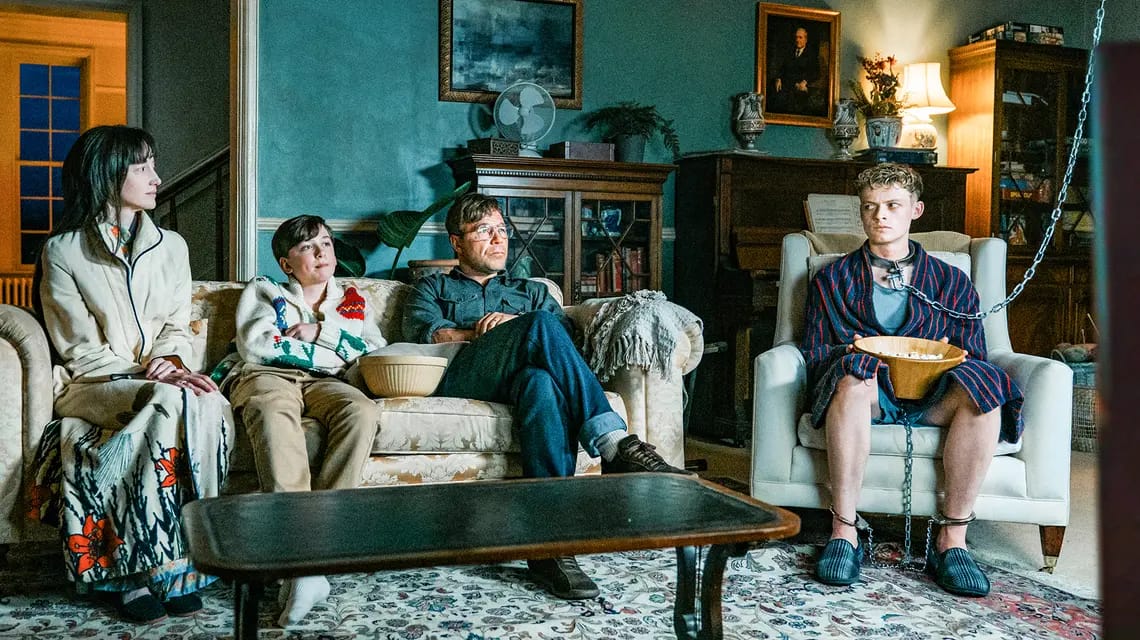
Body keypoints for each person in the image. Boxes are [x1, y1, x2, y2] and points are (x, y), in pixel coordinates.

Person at [401, 193, 690, 601]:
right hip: (466, 373)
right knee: (537, 327)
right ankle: (614, 443)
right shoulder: (432, 287)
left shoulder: (531, 291)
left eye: (502, 230)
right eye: (484, 231)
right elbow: (425, 334)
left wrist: (518, 324)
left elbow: (564, 340)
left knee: (541, 383)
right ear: (456, 242)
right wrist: (494, 332)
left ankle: (551, 548)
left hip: (522, 381)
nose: (498, 239)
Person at [30, 125, 234, 622]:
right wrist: (149, 373)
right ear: (106, 174)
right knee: (165, 400)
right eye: (142, 167)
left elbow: (177, 328)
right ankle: (136, 573)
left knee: (208, 400)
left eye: (153, 165)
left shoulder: (173, 247)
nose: (156, 178)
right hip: (93, 385)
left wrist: (172, 363)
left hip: (157, 381)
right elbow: (80, 350)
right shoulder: (63, 252)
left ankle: (177, 562)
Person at [802, 163, 1024, 597]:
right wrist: (850, 352)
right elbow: (813, 353)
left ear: (915, 210)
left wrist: (942, 354)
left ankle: (952, 541)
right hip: (870, 393)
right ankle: (844, 533)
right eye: (870, 207)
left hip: (933, 394)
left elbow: (973, 351)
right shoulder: (832, 279)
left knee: (984, 384)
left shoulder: (950, 280)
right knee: (851, 378)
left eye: (892, 205)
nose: (880, 216)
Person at [220, 214, 385, 627]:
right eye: (307, 247)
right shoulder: (266, 291)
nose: (321, 252)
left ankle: (315, 550)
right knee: (271, 411)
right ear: (286, 263)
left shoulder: (353, 300)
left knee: (361, 411)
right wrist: (338, 350)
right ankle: (299, 558)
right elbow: (259, 345)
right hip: (267, 375)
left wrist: (318, 334)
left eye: (326, 243)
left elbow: (372, 352)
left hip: (327, 382)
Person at [769, 26, 827, 116]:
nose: (797, 40)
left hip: (802, 89)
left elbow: (816, 73)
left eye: (800, 37)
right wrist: (779, 78)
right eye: (796, 37)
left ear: (805, 39)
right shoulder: (790, 52)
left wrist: (805, 81)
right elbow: (783, 68)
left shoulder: (811, 55)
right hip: (787, 87)